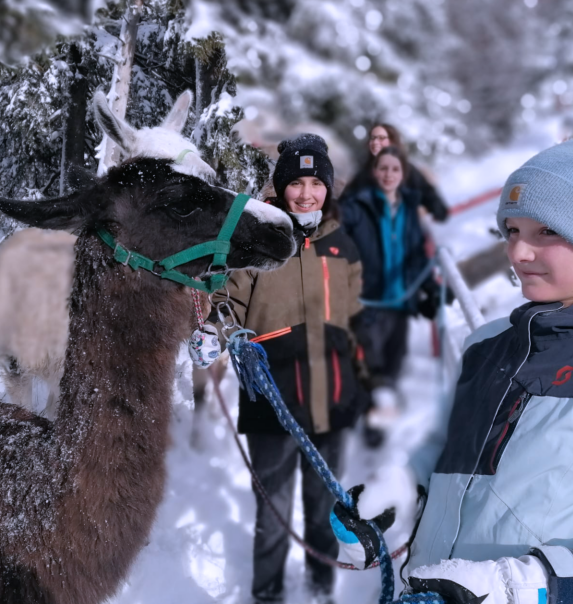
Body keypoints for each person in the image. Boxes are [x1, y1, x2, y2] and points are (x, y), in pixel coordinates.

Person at [332, 129, 573, 604]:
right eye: (513, 230)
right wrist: (405, 497)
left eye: (547, 231)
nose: (519, 253)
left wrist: (529, 585)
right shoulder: (489, 346)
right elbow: (455, 462)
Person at [215, 133, 368, 604]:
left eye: (315, 183)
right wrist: (223, 331)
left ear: (327, 188)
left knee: (325, 507)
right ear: (280, 188)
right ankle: (267, 594)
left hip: (332, 398)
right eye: (296, 183)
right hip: (273, 399)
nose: (306, 193)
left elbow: (357, 317)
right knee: (274, 510)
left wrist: (364, 377)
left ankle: (321, 591)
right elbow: (224, 300)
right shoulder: (256, 238)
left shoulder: (343, 244)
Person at [340, 146, 441, 446]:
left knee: (393, 363)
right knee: (367, 363)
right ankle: (361, 416)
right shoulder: (356, 207)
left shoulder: (408, 211)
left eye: (395, 170)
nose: (389, 175)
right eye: (383, 169)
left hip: (399, 302)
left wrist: (431, 290)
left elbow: (417, 255)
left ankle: (376, 422)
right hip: (366, 301)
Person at [340, 123, 449, 223]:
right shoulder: (364, 175)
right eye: (373, 139)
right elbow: (344, 205)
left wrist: (427, 210)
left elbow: (435, 203)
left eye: (383, 139)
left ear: (393, 142)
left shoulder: (410, 172)